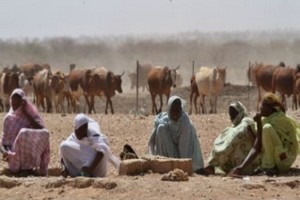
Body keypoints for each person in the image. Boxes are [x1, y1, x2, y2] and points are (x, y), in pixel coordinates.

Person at [230, 93, 300, 176]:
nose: (260, 109)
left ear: (269, 108)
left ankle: (269, 167)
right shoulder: (266, 120)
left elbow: (258, 145)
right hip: (277, 157)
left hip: (285, 159)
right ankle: (266, 165)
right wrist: (241, 167)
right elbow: (257, 146)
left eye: (262, 106)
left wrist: (259, 123)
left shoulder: (280, 119)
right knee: (251, 128)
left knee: (266, 128)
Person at [0, 88, 50, 176]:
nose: (14, 105)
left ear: (23, 102)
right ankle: (22, 169)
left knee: (45, 133)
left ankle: (29, 168)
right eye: (13, 103)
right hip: (14, 158)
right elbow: (2, 142)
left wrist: (25, 113)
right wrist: (4, 152)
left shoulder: (30, 115)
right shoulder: (8, 119)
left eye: (17, 103)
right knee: (23, 133)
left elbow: (41, 129)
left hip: (30, 156)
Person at [148, 95, 204, 172]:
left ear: (181, 110)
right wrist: (152, 158)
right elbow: (151, 142)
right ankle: (163, 164)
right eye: (173, 110)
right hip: (169, 154)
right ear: (169, 110)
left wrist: (180, 166)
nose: (175, 114)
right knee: (161, 128)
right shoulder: (162, 120)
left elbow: (184, 151)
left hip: (185, 156)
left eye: (177, 111)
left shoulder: (185, 122)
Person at [201, 101, 258, 175]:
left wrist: (224, 148)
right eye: (231, 114)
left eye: (234, 113)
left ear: (240, 111)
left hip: (249, 160)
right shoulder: (233, 127)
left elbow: (239, 133)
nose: (232, 116)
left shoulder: (247, 121)